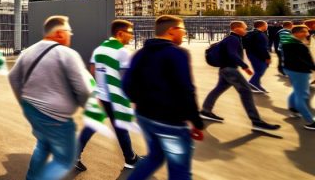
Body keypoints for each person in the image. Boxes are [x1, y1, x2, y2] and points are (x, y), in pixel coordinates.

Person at [8, 15, 91, 180]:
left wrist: (23, 102)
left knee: (43, 144)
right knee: (65, 159)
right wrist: (90, 107)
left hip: (32, 111)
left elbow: (13, 77)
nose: (71, 35)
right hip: (56, 118)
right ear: (60, 33)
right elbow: (83, 90)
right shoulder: (67, 54)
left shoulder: (28, 52)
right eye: (69, 32)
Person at [124, 15, 204, 180]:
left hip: (144, 116)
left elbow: (127, 85)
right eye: (182, 29)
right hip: (171, 122)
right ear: (172, 30)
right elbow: (186, 90)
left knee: (155, 157)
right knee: (179, 171)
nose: (184, 33)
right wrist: (196, 121)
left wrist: (144, 102)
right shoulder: (177, 53)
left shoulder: (140, 53)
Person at [73, 20, 138, 172]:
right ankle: (130, 159)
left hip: (101, 96)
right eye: (129, 32)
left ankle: (130, 157)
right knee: (121, 127)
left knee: (93, 126)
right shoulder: (123, 52)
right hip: (115, 98)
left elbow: (92, 69)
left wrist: (100, 89)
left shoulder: (99, 49)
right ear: (120, 33)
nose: (131, 35)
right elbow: (129, 77)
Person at [198, 21, 280, 132]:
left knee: (218, 89)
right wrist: (245, 66)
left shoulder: (231, 38)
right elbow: (232, 54)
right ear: (236, 28)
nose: (246, 31)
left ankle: (205, 111)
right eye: (244, 28)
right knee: (246, 92)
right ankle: (256, 122)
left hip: (225, 69)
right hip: (230, 69)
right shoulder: (233, 39)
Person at [282, 24, 315, 130]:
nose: (307, 34)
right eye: (304, 32)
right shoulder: (298, 45)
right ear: (296, 33)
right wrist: (313, 67)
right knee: (302, 95)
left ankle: (293, 110)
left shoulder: (288, 41)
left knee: (296, 90)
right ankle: (310, 121)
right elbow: (304, 60)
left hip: (290, 69)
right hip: (300, 71)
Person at [243, 20, 272, 93]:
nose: (267, 26)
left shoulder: (250, 33)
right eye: (266, 25)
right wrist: (267, 57)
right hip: (259, 55)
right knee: (260, 71)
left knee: (257, 71)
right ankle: (251, 84)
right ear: (262, 25)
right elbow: (263, 48)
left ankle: (257, 85)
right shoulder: (261, 35)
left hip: (250, 54)